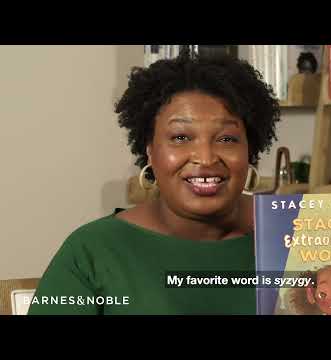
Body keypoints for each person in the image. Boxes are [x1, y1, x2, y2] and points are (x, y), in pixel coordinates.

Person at [28, 48, 281, 315]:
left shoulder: (297, 234)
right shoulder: (91, 250)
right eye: (181, 137)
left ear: (249, 150)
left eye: (226, 139)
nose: (206, 158)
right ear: (149, 149)